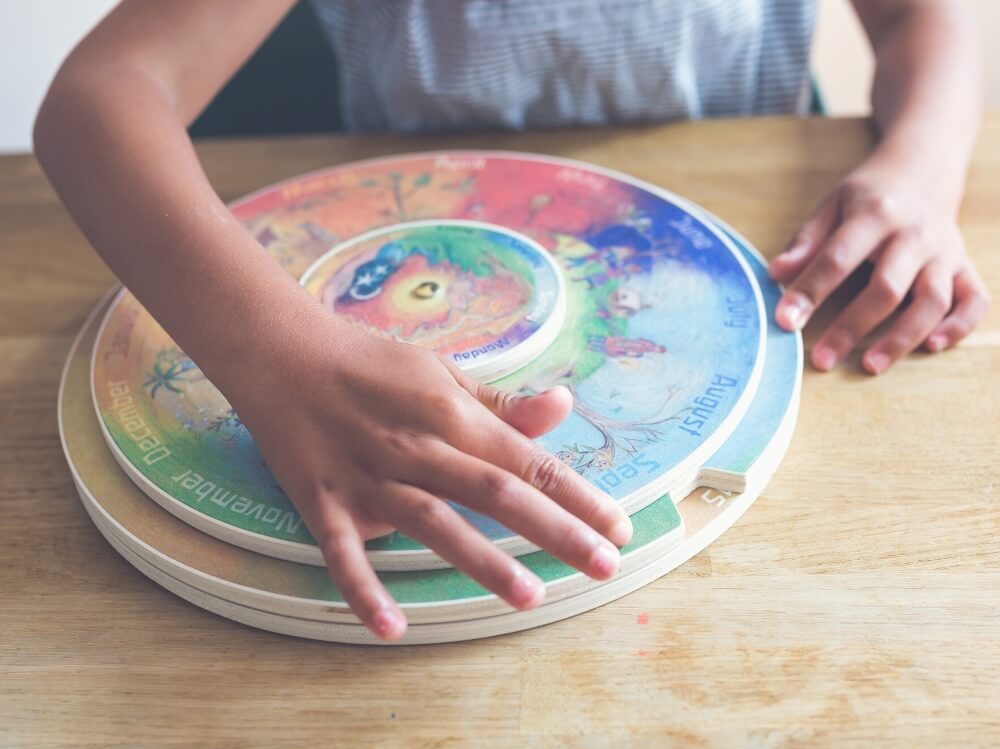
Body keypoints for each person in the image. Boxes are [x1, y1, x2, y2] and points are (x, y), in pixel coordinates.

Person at [34, 0, 990, 640]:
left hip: (736, 253)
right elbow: (101, 95)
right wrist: (278, 355)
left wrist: (922, 163)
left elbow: (922, 16)